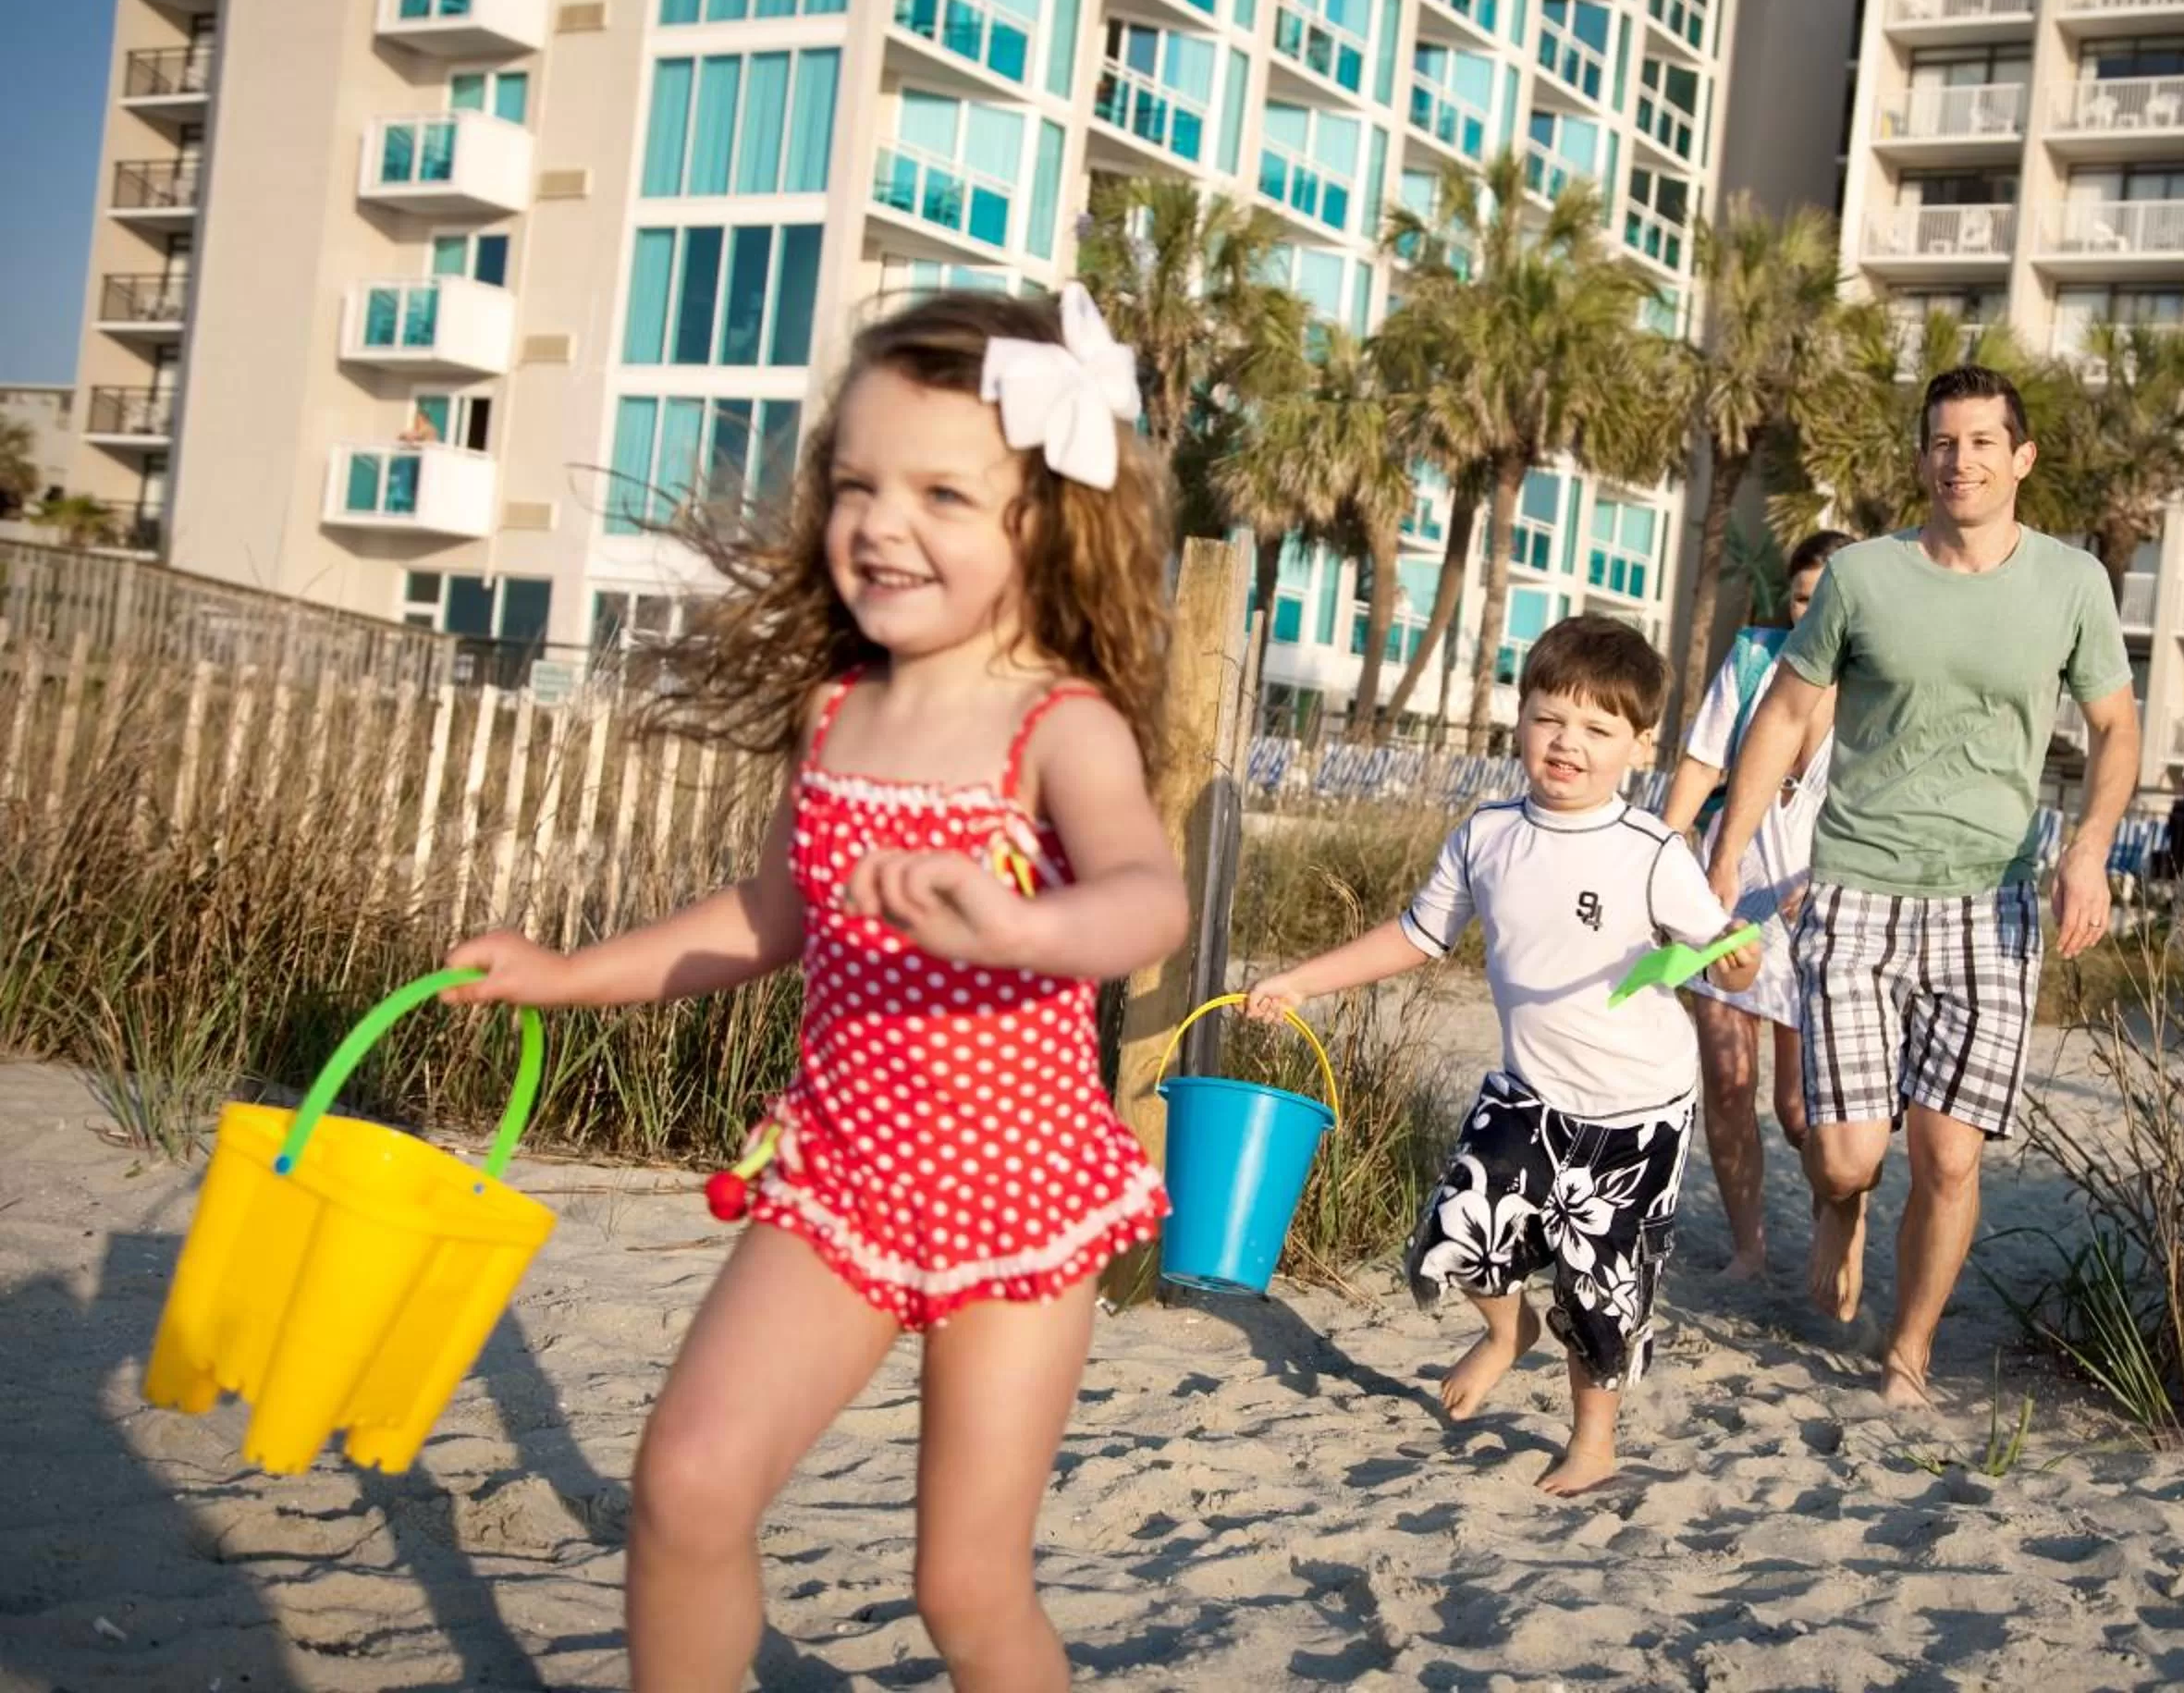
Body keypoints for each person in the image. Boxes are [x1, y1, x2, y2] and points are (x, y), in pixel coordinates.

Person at [441, 286, 1185, 1689]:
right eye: (856, 483)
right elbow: (771, 912)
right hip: (837, 1176)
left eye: (941, 493)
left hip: (1018, 1194)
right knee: (689, 1485)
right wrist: (563, 977)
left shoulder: (1058, 723)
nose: (881, 523)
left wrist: (1026, 932)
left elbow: (1150, 895)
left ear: (1046, 519)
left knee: (964, 1587)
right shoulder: (837, 711)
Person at [1245, 616, 1762, 1495]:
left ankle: (1592, 1440)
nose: (1568, 743)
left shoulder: (1652, 853)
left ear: (1639, 747)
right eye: (1550, 718)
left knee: (1602, 1292)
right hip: (1529, 1092)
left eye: (1598, 730)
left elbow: (1728, 954)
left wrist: (1740, 957)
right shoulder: (1486, 834)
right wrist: (1302, 981)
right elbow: (1416, 936)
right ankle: (1504, 1330)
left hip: (1637, 1112)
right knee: (1451, 1241)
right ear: (1518, 720)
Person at [1708, 364, 2141, 1407]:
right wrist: (1724, 860)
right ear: (1923, 457)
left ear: (2021, 457)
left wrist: (2089, 848)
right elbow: (1781, 714)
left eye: (1984, 441)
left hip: (1990, 902)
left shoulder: (2072, 582)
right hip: (1855, 888)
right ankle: (1840, 1208)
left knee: (1949, 1157)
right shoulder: (1863, 576)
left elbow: (2116, 726)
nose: (1962, 460)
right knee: (1846, 1152)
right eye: (1944, 442)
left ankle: (1908, 1349)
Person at [1661, 529, 1854, 1282]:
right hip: (1727, 896)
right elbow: (1702, 761)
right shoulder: (1751, 664)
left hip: (1823, 914)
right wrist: (1663, 856)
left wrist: (1839, 880)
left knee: (1804, 1108)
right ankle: (1750, 1248)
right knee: (1729, 1081)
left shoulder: (1880, 683)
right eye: (1804, 596)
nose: (1814, 611)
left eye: (1829, 595)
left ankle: (1828, 1241)